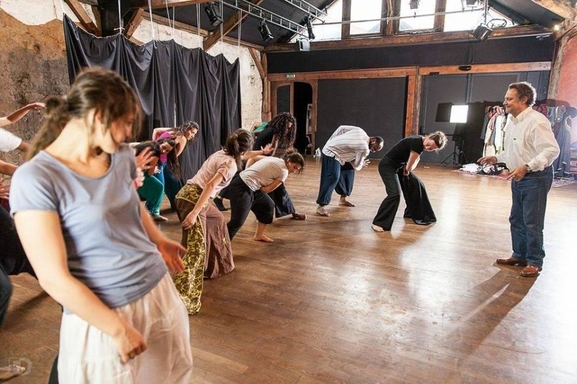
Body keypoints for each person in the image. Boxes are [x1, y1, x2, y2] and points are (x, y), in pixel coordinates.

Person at [9, 68, 193, 382]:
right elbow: (53, 278)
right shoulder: (36, 179)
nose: (126, 135)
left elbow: (132, 205)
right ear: (97, 116)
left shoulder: (119, 156)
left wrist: (158, 241)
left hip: (158, 292)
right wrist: (117, 329)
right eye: (124, 124)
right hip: (104, 315)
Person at [479, 81, 560, 278]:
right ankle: (519, 255)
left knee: (532, 221)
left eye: (509, 99)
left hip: (535, 177)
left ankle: (534, 261)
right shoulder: (512, 120)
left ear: (523, 99)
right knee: (516, 219)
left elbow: (551, 150)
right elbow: (515, 150)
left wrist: (527, 167)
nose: (505, 102)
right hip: (518, 176)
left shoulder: (537, 121)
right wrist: (497, 157)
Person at [174, 129, 254, 314]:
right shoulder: (230, 164)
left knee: (217, 219)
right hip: (194, 199)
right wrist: (194, 213)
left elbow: (245, 154)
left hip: (190, 193)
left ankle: (214, 266)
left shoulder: (222, 153)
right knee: (195, 249)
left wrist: (261, 153)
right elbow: (210, 186)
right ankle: (179, 298)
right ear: (243, 149)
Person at [214, 113, 306, 220]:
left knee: (245, 180)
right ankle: (220, 198)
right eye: (287, 127)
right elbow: (272, 149)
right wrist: (268, 160)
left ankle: (286, 212)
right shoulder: (275, 133)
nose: (287, 130)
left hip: (259, 156)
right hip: (258, 157)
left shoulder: (268, 125)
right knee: (241, 180)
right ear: (281, 124)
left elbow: (255, 125)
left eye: (289, 128)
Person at [371, 132, 448, 232]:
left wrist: (410, 164)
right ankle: (378, 222)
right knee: (395, 194)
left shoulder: (421, 140)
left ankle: (411, 213)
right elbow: (409, 168)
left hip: (398, 167)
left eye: (431, 149)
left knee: (417, 184)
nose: (427, 148)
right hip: (387, 166)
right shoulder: (417, 144)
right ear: (429, 137)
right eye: (428, 145)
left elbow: (407, 168)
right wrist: (417, 160)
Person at [227, 151, 305, 243]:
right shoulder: (284, 172)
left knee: (268, 205)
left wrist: (248, 171)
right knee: (237, 221)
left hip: (243, 182)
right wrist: (256, 180)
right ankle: (221, 242)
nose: (294, 170)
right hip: (242, 188)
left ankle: (259, 235)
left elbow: (253, 158)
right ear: (288, 161)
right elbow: (267, 190)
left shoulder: (274, 158)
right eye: (294, 167)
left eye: (297, 170)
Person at [315, 125, 384, 217]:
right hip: (331, 153)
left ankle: (342, 200)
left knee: (349, 172)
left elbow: (341, 128)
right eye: (376, 148)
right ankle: (321, 206)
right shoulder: (364, 147)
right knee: (333, 177)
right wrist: (362, 163)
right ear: (373, 141)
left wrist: (331, 140)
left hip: (342, 156)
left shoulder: (361, 130)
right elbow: (357, 166)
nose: (374, 151)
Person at [151, 122, 199, 210]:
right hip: (159, 162)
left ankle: (176, 204)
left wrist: (154, 144)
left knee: (172, 182)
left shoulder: (174, 130)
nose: (192, 136)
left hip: (160, 160)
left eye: (194, 134)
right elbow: (174, 156)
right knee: (159, 186)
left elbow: (156, 131)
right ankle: (152, 210)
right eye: (192, 132)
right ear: (187, 128)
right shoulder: (183, 138)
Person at [133, 138, 176, 222]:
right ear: (160, 143)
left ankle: (152, 212)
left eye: (167, 151)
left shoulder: (149, 143)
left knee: (159, 187)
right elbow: (149, 173)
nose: (164, 151)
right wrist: (154, 169)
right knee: (159, 187)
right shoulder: (155, 154)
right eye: (164, 147)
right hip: (134, 172)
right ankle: (153, 213)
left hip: (131, 168)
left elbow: (131, 145)